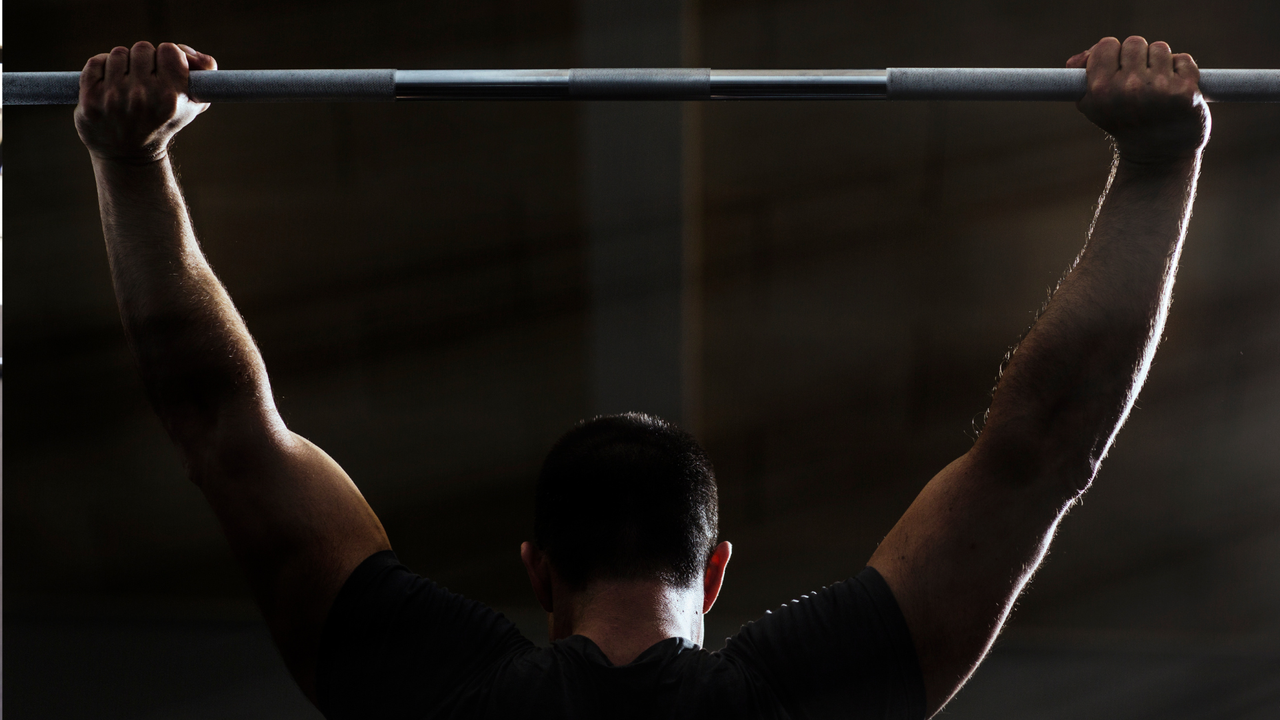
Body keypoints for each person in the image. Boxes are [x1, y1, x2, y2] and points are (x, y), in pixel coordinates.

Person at [74, 36, 1210, 719]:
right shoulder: (783, 703)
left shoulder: (454, 699)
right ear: (715, 571)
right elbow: (1041, 448)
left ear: (535, 570)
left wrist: (131, 161)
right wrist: (1159, 165)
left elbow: (222, 431)